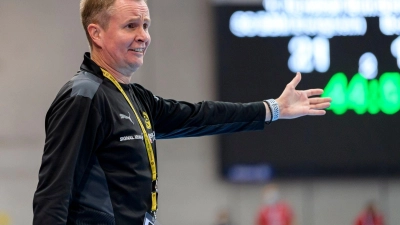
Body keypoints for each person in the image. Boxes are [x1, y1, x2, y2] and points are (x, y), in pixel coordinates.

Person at [32, 0, 331, 224]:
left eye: (146, 25)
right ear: (96, 33)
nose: (144, 36)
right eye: (130, 26)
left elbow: (199, 116)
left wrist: (273, 109)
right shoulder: (84, 96)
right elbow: (53, 193)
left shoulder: (134, 98)